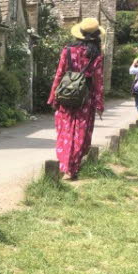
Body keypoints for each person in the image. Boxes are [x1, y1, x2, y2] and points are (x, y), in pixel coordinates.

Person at [47, 17, 105, 180]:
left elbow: (59, 75)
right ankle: (73, 168)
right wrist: (99, 104)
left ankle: (63, 165)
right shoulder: (96, 56)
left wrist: (53, 97)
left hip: (65, 95)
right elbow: (98, 81)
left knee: (64, 131)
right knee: (80, 132)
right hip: (85, 99)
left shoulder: (67, 51)